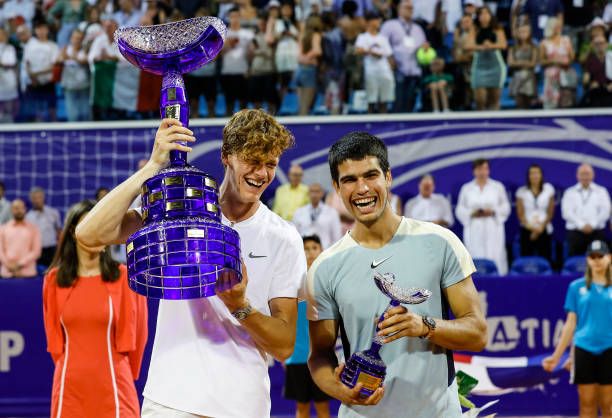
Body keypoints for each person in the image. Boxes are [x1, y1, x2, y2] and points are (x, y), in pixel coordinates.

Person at [76, 109, 306, 418]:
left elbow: (285, 347)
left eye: (271, 164)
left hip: (243, 405)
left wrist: (240, 305)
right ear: (227, 156)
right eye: (253, 160)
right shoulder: (180, 208)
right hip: (170, 399)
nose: (261, 173)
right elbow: (89, 234)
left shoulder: (285, 237)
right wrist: (153, 165)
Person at [306, 132, 487, 418]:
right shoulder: (324, 267)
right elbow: (319, 356)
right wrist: (341, 391)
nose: (362, 188)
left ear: (388, 177)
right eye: (349, 180)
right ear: (336, 188)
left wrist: (424, 326)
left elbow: (478, 333)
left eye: (370, 175)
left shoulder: (440, 242)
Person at [42, 199, 148, 418]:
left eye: (105, 226)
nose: (100, 232)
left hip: (115, 386)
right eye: (92, 225)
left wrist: (126, 374)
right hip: (69, 388)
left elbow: (139, 337)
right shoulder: (53, 280)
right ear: (74, 231)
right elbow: (54, 343)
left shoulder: (125, 277)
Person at [542, 240, 611, 418]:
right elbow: (570, 324)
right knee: (587, 404)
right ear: (587, 259)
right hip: (584, 349)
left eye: (600, 256)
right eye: (592, 256)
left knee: (609, 406)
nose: (597, 260)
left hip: (609, 349)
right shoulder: (576, 287)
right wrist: (556, 357)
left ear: (609, 258)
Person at [284, 235, 332, 418]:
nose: (310, 252)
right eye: (306, 248)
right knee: (302, 408)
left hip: (322, 357)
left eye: (314, 247)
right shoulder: (291, 281)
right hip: (297, 356)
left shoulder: (330, 282)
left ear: (321, 250)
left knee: (323, 408)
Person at [455, 159, 510, 275]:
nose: (482, 172)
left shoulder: (497, 187)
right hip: (474, 227)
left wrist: (493, 211)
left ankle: (497, 279)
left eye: (485, 169)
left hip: (493, 227)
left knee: (495, 254)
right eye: (479, 169)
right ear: (474, 171)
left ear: (488, 170)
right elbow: (460, 209)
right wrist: (472, 213)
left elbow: (506, 207)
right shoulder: (466, 188)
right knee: (474, 254)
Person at [561, 163, 611, 257]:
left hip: (596, 232)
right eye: (582, 174)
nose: (585, 177)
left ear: (593, 175)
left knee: (599, 260)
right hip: (575, 232)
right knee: (574, 260)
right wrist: (581, 225)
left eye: (587, 174)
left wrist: (592, 224)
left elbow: (606, 211)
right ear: (577, 175)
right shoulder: (569, 192)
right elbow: (566, 212)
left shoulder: (601, 191)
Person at [466, 6, 507, 111]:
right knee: (480, 99)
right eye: (481, 14)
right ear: (478, 16)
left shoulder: (497, 28)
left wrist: (491, 46)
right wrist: (482, 47)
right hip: (479, 65)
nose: (484, 16)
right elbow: (468, 45)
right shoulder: (474, 29)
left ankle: (495, 124)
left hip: (495, 65)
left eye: (486, 13)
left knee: (494, 99)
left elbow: (503, 44)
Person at [355, 11, 394, 114]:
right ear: (368, 22)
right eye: (376, 19)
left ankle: (384, 121)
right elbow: (358, 50)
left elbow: (388, 54)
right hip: (371, 71)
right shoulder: (363, 37)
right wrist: (372, 52)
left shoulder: (383, 38)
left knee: (384, 100)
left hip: (384, 71)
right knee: (371, 99)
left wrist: (391, 68)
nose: (378, 22)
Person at [515, 164, 555, 262]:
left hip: (544, 229)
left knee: (546, 260)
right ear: (528, 176)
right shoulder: (521, 192)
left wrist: (540, 228)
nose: (535, 176)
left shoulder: (549, 189)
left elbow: (550, 213)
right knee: (526, 261)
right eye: (532, 173)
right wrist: (532, 228)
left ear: (541, 175)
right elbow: (520, 214)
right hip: (527, 230)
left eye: (537, 173)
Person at [293, 183, 343, 249]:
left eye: (317, 191)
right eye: (312, 191)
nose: (314, 195)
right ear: (308, 194)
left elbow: (337, 237)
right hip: (304, 251)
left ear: (322, 193)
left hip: (325, 251)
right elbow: (295, 235)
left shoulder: (332, 212)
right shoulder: (299, 212)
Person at [0, 198, 41, 278]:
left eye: (21, 208)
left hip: (28, 273)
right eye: (16, 208)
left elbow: (36, 252)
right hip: (7, 273)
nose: (19, 211)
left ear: (25, 209)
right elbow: (0, 251)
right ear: (11, 210)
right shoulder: (3, 229)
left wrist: (19, 265)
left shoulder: (33, 229)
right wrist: (9, 266)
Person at [26, 186, 62, 268]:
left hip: (52, 249)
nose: (37, 200)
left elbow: (59, 232)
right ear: (31, 199)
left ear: (43, 198)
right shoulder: (28, 217)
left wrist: (60, 250)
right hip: (36, 250)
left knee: (53, 272)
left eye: (39, 197)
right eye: (34, 198)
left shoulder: (53, 213)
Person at [508, 22, 537, 110]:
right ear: (517, 33)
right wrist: (526, 63)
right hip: (517, 77)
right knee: (518, 103)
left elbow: (533, 63)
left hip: (529, 77)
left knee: (528, 104)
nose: (523, 34)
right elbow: (511, 63)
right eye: (520, 32)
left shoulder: (533, 47)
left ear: (529, 33)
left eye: (525, 31)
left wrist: (519, 62)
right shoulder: (513, 48)